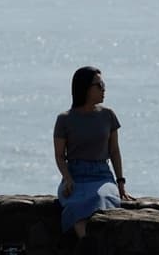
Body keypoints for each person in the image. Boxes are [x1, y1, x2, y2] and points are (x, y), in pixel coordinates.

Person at [53, 66, 132, 237]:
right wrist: (67, 179)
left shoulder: (108, 115)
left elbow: (114, 151)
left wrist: (120, 182)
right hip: (75, 177)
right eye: (99, 85)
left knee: (101, 199)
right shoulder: (64, 119)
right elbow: (60, 156)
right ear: (85, 88)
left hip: (102, 176)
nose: (104, 89)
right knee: (76, 207)